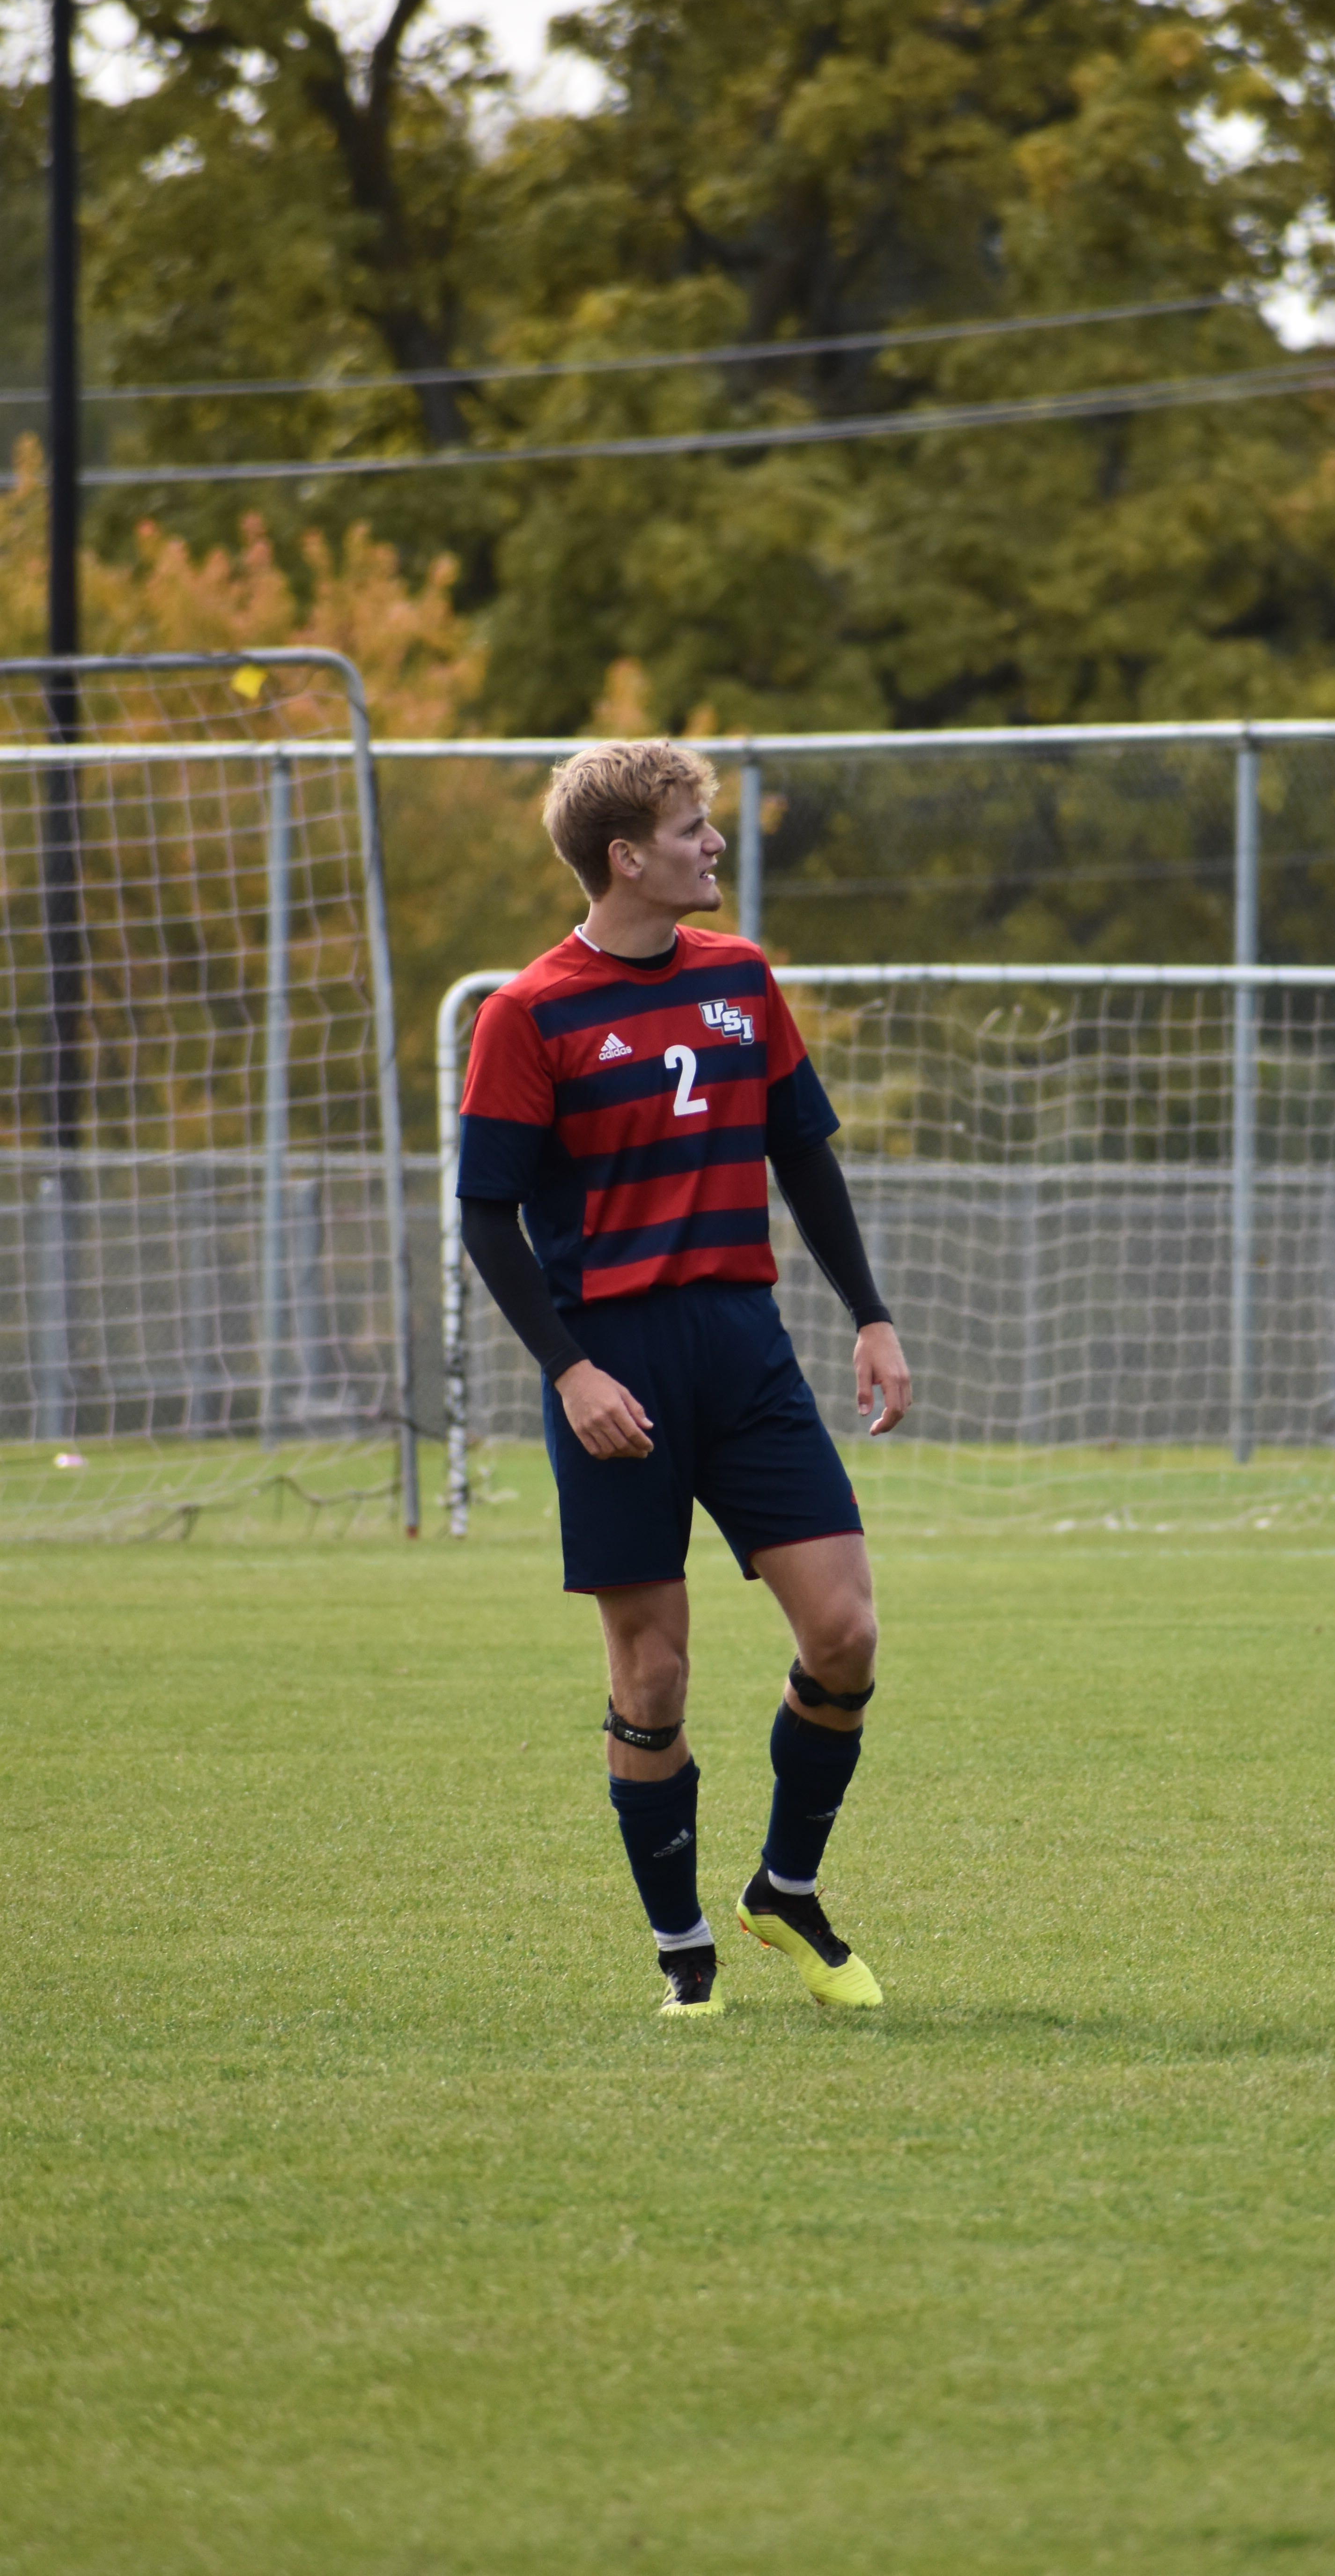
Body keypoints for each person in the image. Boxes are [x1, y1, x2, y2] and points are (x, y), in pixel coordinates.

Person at [455, 738, 912, 2017]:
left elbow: (804, 1158)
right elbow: (489, 1215)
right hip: (619, 1365)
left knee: (847, 1632)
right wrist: (570, 1370)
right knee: (651, 1675)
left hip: (744, 1347)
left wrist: (871, 1317)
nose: (714, 844)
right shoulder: (527, 1011)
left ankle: (786, 1889)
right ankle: (684, 1953)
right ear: (627, 856)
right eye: (693, 826)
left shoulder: (741, 978)